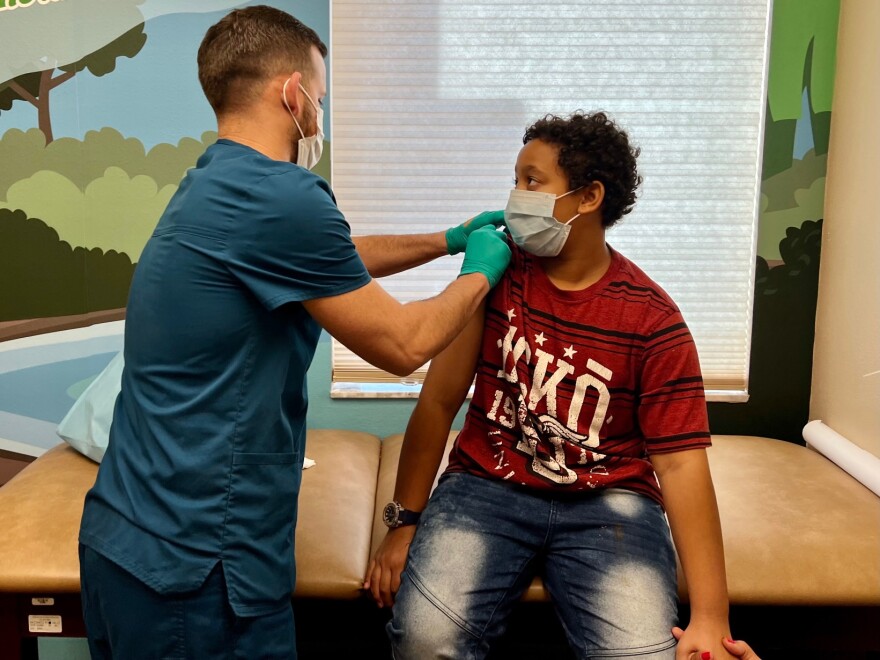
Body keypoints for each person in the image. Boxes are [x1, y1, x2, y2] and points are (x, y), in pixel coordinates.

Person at [77, 6, 510, 660]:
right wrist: (479, 274)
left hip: (128, 537)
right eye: (322, 98)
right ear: (292, 92)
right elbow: (402, 345)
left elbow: (329, 258)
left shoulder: (216, 182)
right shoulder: (284, 197)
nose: (320, 115)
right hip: (194, 568)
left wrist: (444, 241)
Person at [366, 111, 739, 660]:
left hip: (609, 503)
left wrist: (712, 617)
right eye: (515, 180)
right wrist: (404, 523)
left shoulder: (653, 320)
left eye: (532, 182)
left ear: (587, 198)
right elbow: (439, 400)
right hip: (485, 486)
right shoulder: (492, 277)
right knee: (424, 639)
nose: (516, 196)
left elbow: (682, 466)